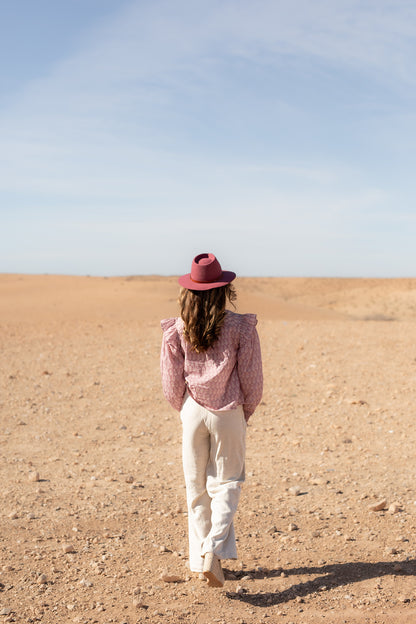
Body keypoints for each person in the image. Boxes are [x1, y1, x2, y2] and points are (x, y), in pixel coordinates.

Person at [160, 253, 263, 587]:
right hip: (228, 410)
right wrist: (242, 413)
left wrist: (187, 410)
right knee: (227, 483)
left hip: (192, 410)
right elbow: (253, 380)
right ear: (223, 291)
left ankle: (200, 561)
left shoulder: (176, 329)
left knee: (196, 488)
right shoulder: (240, 327)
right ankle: (212, 551)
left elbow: (170, 383)